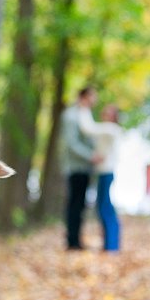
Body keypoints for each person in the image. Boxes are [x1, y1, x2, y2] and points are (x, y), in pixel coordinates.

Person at [60, 87, 101, 250]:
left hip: (84, 168)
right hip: (76, 167)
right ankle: (73, 242)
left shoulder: (85, 115)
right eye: (92, 97)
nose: (94, 101)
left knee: (80, 204)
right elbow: (72, 144)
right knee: (75, 205)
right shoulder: (71, 116)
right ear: (84, 97)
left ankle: (76, 239)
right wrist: (91, 156)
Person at [80, 104, 123, 253]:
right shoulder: (108, 130)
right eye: (104, 112)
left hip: (106, 173)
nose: (104, 115)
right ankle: (109, 244)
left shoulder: (110, 129)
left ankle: (112, 245)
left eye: (108, 113)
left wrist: (83, 108)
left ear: (114, 116)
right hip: (103, 172)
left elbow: (88, 128)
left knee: (105, 208)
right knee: (102, 207)